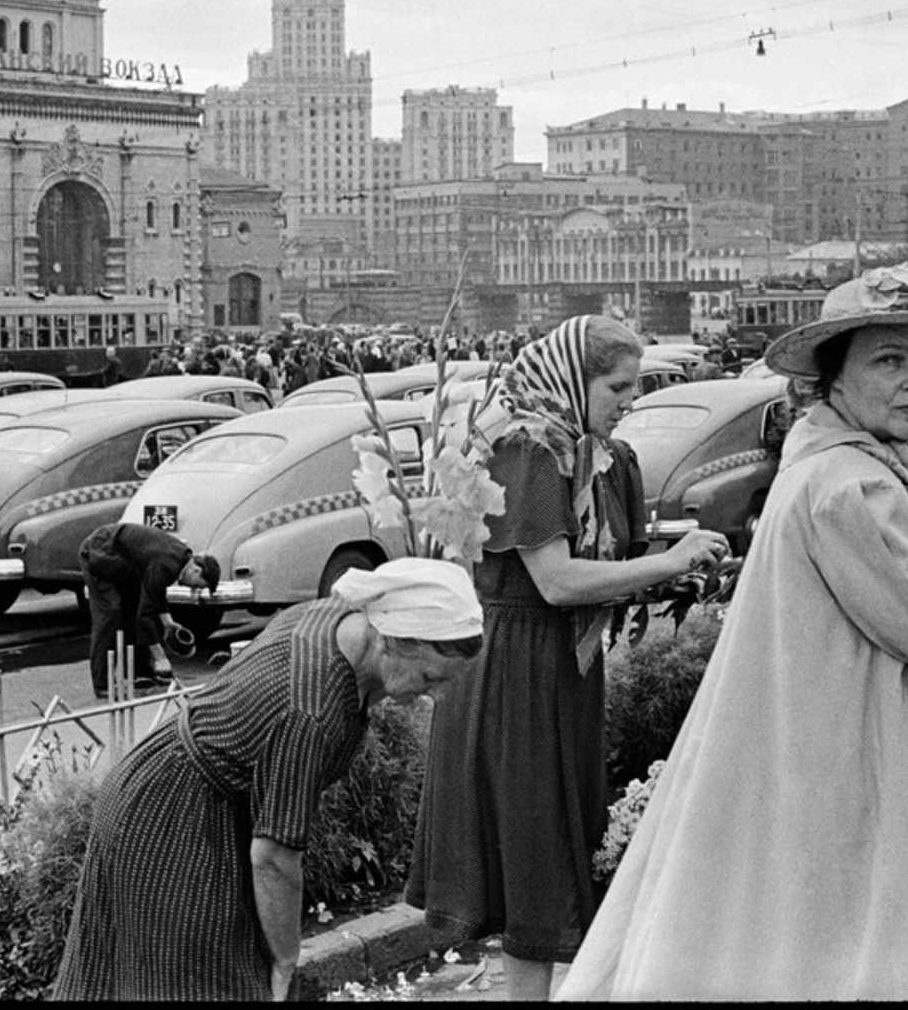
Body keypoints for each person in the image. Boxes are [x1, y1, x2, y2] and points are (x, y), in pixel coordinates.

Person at [555, 266, 908, 1000]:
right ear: (833, 379)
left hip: (826, 755)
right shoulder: (855, 486)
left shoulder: (841, 465)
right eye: (889, 361)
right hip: (846, 770)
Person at [407, 315, 728, 1001]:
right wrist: (665, 562)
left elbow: (607, 566)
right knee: (533, 855)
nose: (630, 399)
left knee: (551, 848)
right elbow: (556, 581)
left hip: (561, 665)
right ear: (571, 381)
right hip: (514, 669)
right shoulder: (530, 449)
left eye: (635, 385)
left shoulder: (593, 453)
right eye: (617, 385)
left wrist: (678, 567)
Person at [55, 559, 486, 1001]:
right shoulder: (312, 710)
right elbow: (275, 858)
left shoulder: (335, 619)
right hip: (169, 817)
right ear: (392, 639)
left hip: (172, 788)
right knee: (203, 984)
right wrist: (284, 961)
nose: (436, 695)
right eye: (431, 677)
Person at [79, 522, 219, 698]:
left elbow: (155, 591)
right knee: (110, 615)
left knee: (133, 606)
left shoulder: (180, 558)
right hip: (99, 552)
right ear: (196, 570)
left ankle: (140, 673)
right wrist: (160, 656)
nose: (194, 590)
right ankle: (102, 684)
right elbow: (144, 616)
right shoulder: (168, 564)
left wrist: (167, 621)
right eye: (198, 585)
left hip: (120, 561)